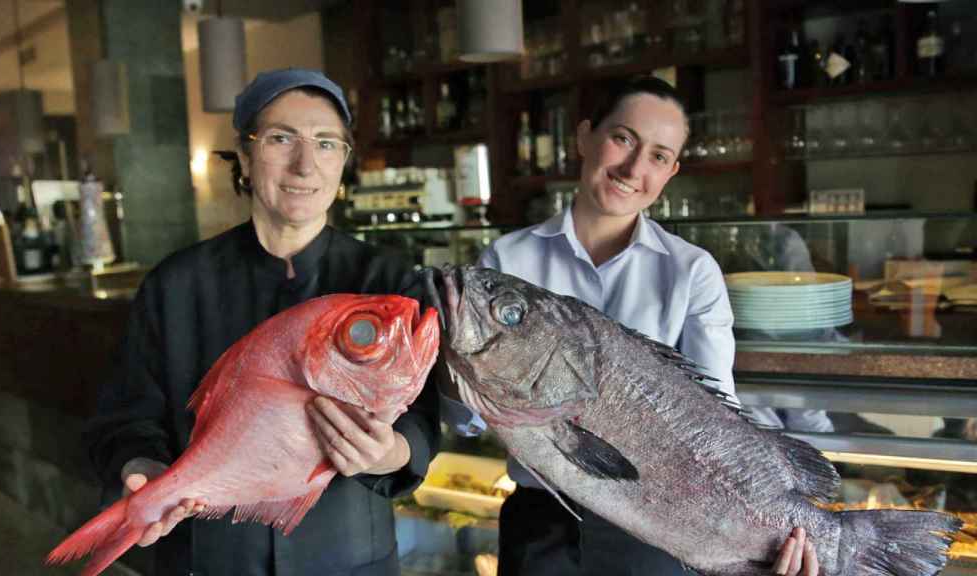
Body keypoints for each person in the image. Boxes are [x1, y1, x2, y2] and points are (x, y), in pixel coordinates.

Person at [443, 76, 818, 576]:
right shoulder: (507, 260)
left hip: (663, 522)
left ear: (671, 172)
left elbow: (720, 421)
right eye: (623, 138)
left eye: (659, 156)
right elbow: (465, 419)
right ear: (584, 138)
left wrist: (783, 531)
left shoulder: (692, 271)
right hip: (541, 523)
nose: (634, 168)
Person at [87, 68, 439, 576]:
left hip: (348, 559)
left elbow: (424, 417)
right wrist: (145, 472)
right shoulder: (175, 283)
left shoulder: (389, 283)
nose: (304, 164)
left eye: (326, 143)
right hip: (208, 556)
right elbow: (125, 414)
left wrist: (389, 452)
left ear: (343, 162)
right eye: (281, 138)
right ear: (246, 157)